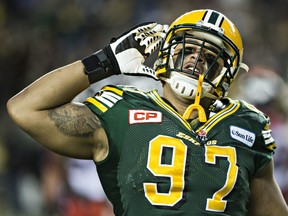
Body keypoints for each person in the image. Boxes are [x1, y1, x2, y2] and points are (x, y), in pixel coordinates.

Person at [6, 9, 288, 215]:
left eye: (210, 58)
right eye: (188, 49)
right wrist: (105, 61)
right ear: (166, 53)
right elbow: (25, 109)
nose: (196, 59)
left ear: (227, 74)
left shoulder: (248, 126)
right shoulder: (122, 110)